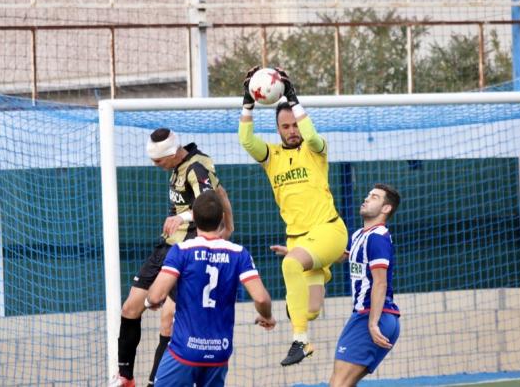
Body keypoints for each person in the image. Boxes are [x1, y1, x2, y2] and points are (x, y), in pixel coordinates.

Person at [238, 66, 348, 366]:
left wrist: (293, 98)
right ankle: (322, 269)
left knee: (290, 265)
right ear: (278, 130)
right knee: (309, 309)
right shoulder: (271, 157)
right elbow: (247, 141)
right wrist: (247, 103)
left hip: (329, 231)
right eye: (285, 127)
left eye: (294, 125)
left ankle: (301, 341)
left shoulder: (315, 151)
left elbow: (312, 136)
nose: (292, 131)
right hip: (299, 239)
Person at [114, 128, 234, 387]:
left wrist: (184, 217)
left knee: (168, 320)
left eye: (157, 161)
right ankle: (125, 376)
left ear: (171, 153)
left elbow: (210, 199)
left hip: (190, 248)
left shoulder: (197, 166)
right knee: (130, 308)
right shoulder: (177, 168)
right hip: (167, 246)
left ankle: (154, 383)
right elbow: (221, 192)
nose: (155, 165)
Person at [145, 190, 276, 386]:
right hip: (218, 353)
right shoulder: (239, 254)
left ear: (194, 219)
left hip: (184, 351)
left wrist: (149, 301)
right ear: (222, 218)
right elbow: (262, 299)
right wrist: (267, 316)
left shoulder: (181, 251)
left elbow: (156, 296)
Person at [330, 183, 401, 387]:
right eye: (368, 194)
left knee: (338, 383)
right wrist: (299, 253)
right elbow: (340, 256)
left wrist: (372, 323)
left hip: (371, 315)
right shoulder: (358, 235)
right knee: (345, 383)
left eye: (375, 197)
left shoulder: (378, 237)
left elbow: (380, 282)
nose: (367, 198)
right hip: (374, 316)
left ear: (386, 209)